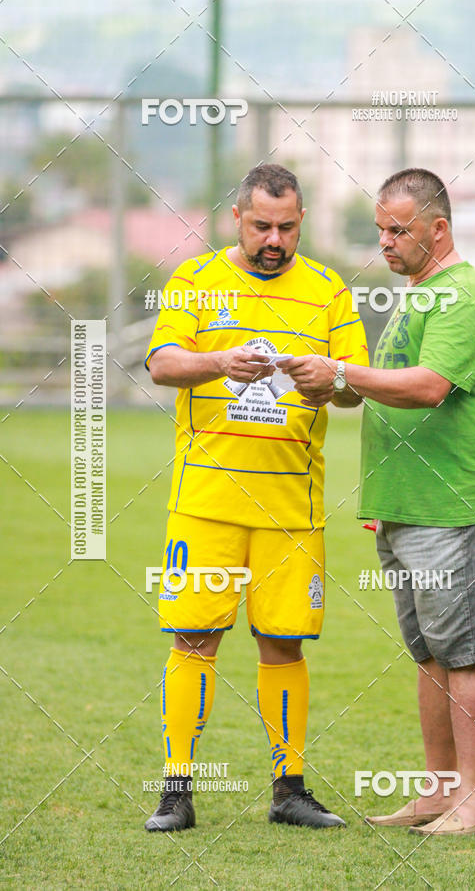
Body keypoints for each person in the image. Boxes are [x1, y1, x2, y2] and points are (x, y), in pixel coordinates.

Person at [143, 163, 368, 832]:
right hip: (206, 503)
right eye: (263, 225)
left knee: (284, 643)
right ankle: (176, 792)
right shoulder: (196, 281)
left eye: (288, 227)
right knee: (194, 638)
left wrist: (333, 381)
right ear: (236, 217)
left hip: (291, 511)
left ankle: (289, 789)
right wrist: (217, 361)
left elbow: (355, 387)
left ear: (302, 223)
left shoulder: (328, 290)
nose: (275, 239)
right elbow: (160, 364)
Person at [282, 168, 475, 836]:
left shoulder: (461, 296)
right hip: (404, 504)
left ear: (439, 228)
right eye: (380, 228)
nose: (385, 240)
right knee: (430, 653)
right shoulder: (417, 292)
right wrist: (333, 386)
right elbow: (386, 384)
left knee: (463, 652)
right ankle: (438, 792)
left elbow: (429, 386)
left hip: (450, 505)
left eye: (398, 229)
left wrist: (347, 373)